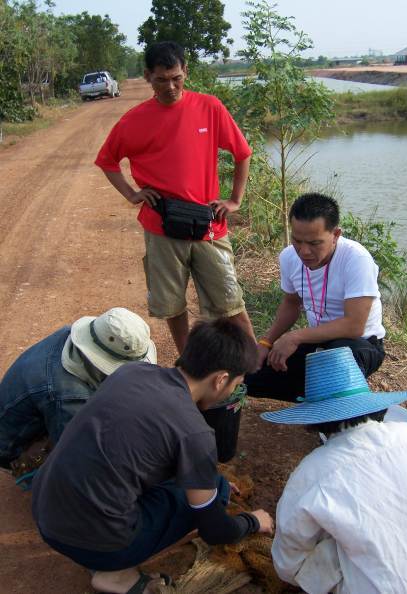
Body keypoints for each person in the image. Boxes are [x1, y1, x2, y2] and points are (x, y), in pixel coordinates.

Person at [32, 319, 273, 594]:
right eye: (236, 383)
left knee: (209, 485)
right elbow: (215, 531)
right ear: (220, 379)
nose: (232, 390)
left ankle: (105, 554)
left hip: (45, 513)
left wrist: (209, 481)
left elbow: (139, 446)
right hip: (96, 544)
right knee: (211, 498)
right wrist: (253, 522)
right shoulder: (195, 433)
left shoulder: (132, 372)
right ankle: (117, 574)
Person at [95, 41, 255, 354]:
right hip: (161, 225)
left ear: (185, 72)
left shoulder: (209, 107)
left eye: (176, 78)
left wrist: (235, 200)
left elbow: (242, 152)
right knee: (171, 304)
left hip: (209, 225)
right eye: (161, 79)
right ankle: (187, 364)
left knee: (230, 301)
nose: (170, 86)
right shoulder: (133, 120)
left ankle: (253, 362)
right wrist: (132, 193)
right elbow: (107, 161)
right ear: (147, 76)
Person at [262, 347, 407, 594]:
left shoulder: (312, 473)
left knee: (335, 542)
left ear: (314, 421)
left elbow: (288, 565)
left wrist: (333, 551)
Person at [245, 192, 385, 401]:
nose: (304, 251)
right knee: (249, 376)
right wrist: (266, 343)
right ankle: (325, 393)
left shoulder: (356, 259)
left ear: (336, 234)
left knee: (335, 363)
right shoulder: (289, 257)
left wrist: (295, 337)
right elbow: (291, 304)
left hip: (359, 344)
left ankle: (336, 399)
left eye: (314, 243)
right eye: (297, 240)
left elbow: (354, 326)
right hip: (318, 343)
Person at [0, 307, 156, 476]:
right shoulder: (69, 397)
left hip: (35, 414)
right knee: (86, 464)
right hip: (10, 449)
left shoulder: (71, 336)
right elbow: (76, 455)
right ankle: (29, 470)